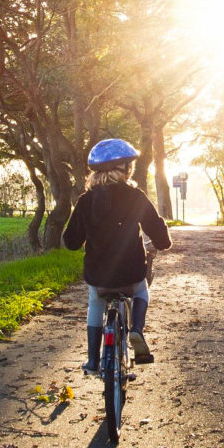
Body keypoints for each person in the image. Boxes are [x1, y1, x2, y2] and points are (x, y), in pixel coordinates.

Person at [63, 138, 172, 374]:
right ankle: (137, 331)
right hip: (131, 273)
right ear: (124, 168)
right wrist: (162, 241)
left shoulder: (85, 200)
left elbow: (70, 242)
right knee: (142, 291)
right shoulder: (135, 197)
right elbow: (160, 235)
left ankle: (93, 361)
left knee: (95, 302)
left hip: (98, 277)